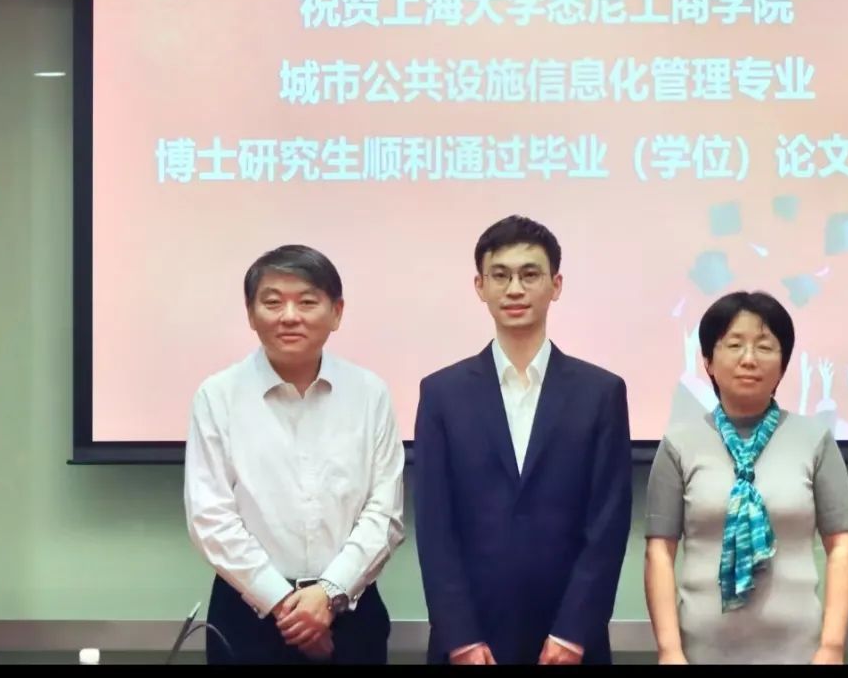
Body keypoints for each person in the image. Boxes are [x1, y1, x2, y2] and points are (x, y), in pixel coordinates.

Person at [414, 215, 633, 665]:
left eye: (530, 274)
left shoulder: (600, 393)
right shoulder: (441, 393)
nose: (515, 289)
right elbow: (435, 527)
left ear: (556, 285)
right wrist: (460, 637)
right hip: (471, 638)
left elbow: (608, 524)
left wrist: (573, 632)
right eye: (501, 275)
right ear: (480, 286)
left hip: (569, 639)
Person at [183, 244, 405, 664]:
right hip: (248, 618)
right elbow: (210, 517)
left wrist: (328, 595)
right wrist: (286, 605)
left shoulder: (369, 393)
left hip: (351, 615)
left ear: (336, 312)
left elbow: (385, 513)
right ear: (251, 314)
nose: (289, 316)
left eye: (306, 302)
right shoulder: (217, 396)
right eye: (272, 302)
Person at [644, 290, 848, 665]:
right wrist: (669, 650)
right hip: (699, 652)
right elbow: (659, 552)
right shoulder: (679, 444)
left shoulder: (814, 440)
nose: (749, 359)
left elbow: (841, 547)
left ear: (783, 364)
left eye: (764, 346)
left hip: (801, 652)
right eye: (734, 345)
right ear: (708, 361)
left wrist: (832, 646)